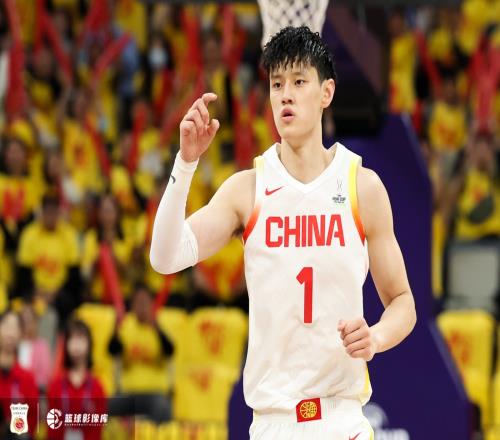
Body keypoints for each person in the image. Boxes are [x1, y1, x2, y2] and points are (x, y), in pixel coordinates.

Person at [150, 26, 417, 439]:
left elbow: (403, 302)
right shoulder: (248, 188)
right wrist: (185, 164)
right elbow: (165, 258)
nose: (285, 95)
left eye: (298, 82)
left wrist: (376, 337)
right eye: (277, 84)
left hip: (343, 418)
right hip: (274, 422)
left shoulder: (362, 186)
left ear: (326, 92)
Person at [47, 319, 107, 440]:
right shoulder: (56, 385)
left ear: (89, 344)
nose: (76, 344)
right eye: (72, 339)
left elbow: (97, 429)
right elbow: (52, 427)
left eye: (80, 338)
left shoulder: (97, 387)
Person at [0, 310, 38, 439]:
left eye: (15, 327)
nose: (10, 332)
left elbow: (32, 420)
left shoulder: (27, 378)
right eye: (6, 326)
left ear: (21, 334)